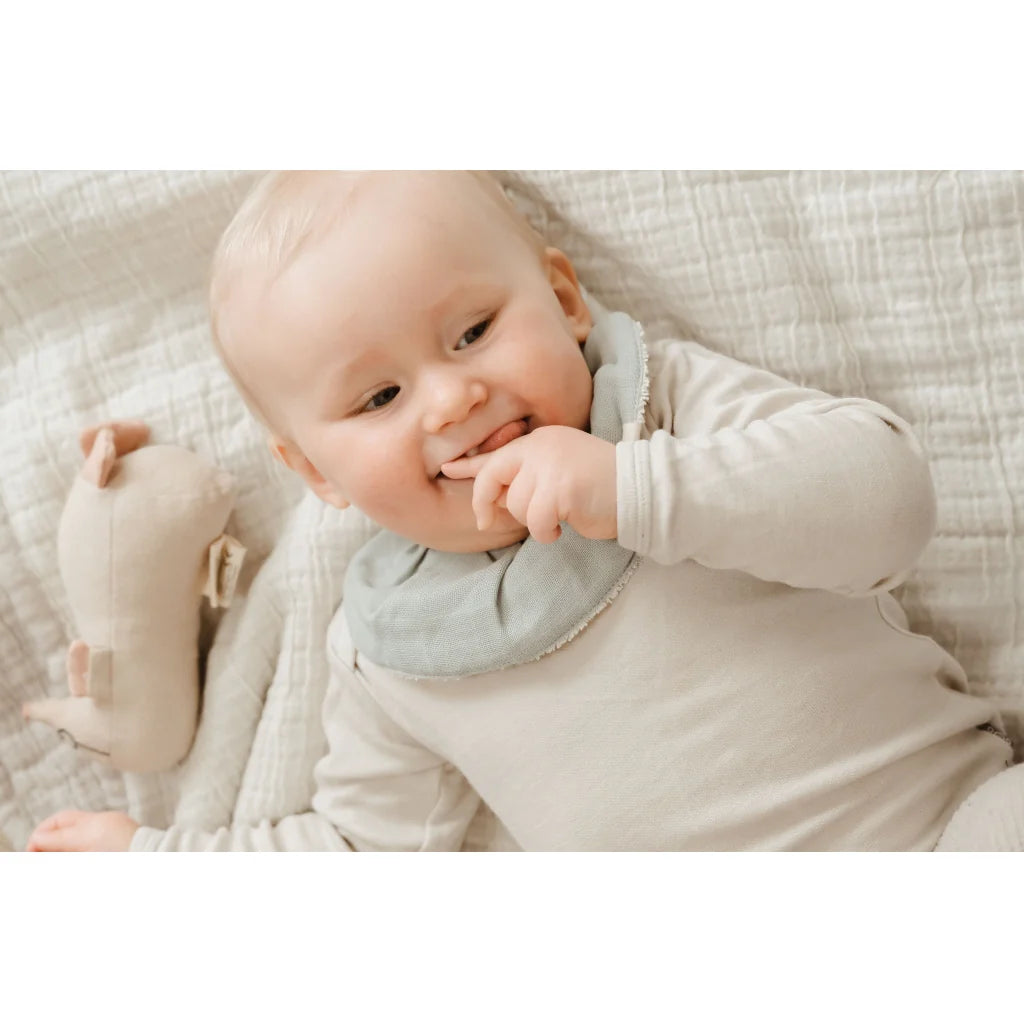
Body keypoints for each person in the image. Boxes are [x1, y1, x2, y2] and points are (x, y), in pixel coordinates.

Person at [27, 170, 1021, 853]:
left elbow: (887, 498)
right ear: (316, 475)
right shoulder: (392, 650)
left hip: (944, 831)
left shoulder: (662, 409)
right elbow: (359, 856)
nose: (451, 398)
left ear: (563, 299)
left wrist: (630, 488)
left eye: (472, 330)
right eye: (378, 400)